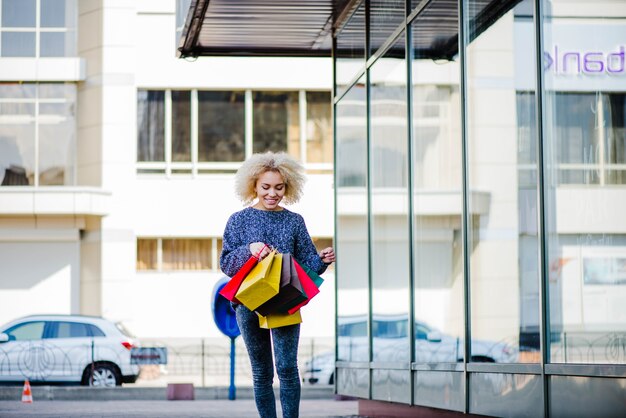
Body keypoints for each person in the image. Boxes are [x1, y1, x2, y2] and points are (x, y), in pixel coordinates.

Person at [220, 151, 335, 418]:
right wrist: (249, 250)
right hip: (249, 303)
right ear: (254, 186)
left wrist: (322, 260)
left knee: (287, 368)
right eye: (266, 187)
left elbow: (307, 263)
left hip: (285, 301)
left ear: (288, 187)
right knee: (261, 371)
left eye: (279, 187)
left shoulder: (295, 221)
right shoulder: (238, 220)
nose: (272, 193)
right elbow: (226, 263)